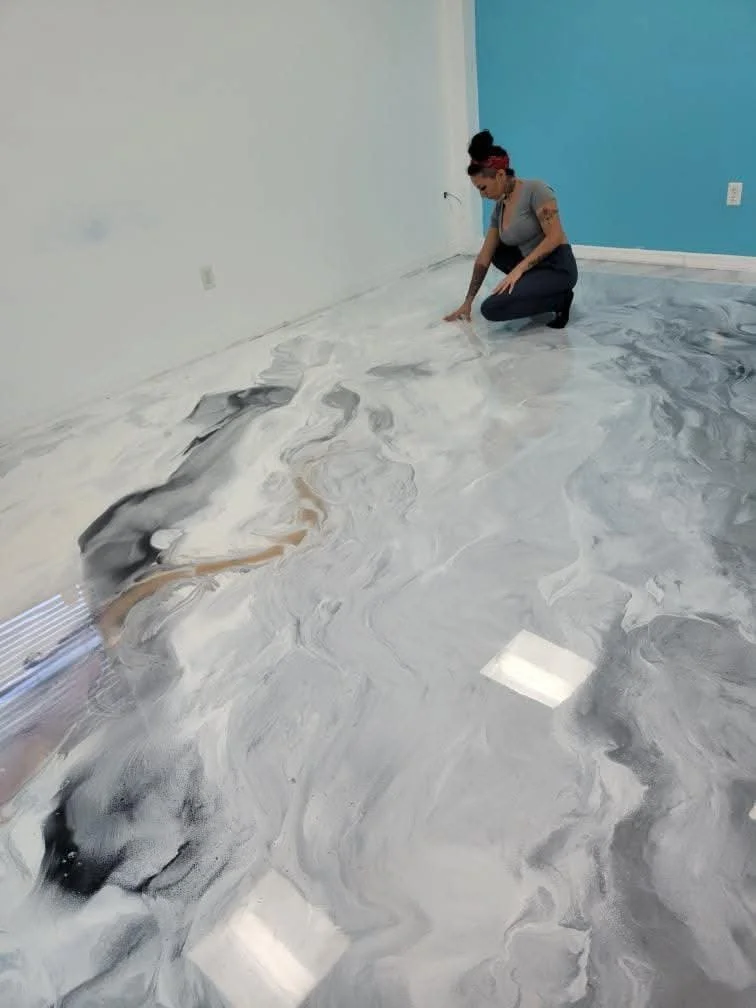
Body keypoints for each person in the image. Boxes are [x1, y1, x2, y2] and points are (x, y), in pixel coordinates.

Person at [445, 130, 578, 329]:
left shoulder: (536, 189)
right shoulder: (500, 208)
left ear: (499, 175)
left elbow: (556, 236)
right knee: (497, 250)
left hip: (557, 266)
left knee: (492, 309)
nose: (482, 195)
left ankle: (561, 299)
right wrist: (468, 302)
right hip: (533, 267)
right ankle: (537, 290)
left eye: (483, 188)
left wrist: (518, 271)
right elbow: (484, 257)